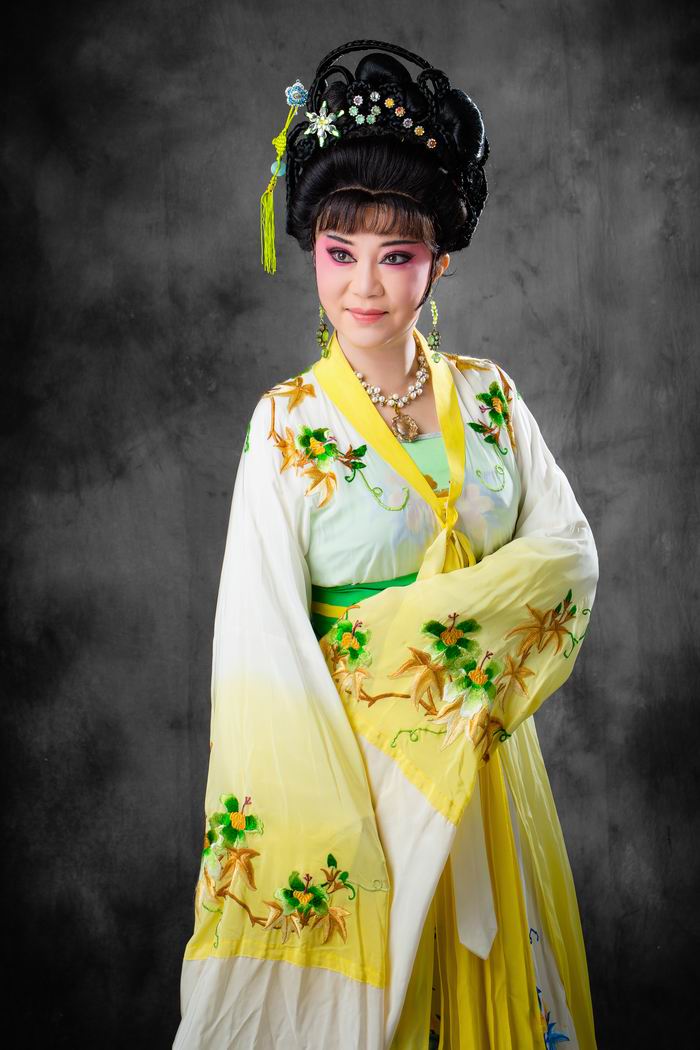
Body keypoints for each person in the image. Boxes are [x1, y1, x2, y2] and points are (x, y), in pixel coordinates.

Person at [173, 40, 600, 1050]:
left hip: (483, 773)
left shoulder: (490, 400)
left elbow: (567, 558)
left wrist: (430, 647)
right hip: (353, 785)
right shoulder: (286, 426)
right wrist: (423, 664)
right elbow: (260, 651)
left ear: (438, 260)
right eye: (340, 252)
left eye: (396, 255)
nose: (364, 286)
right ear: (313, 254)